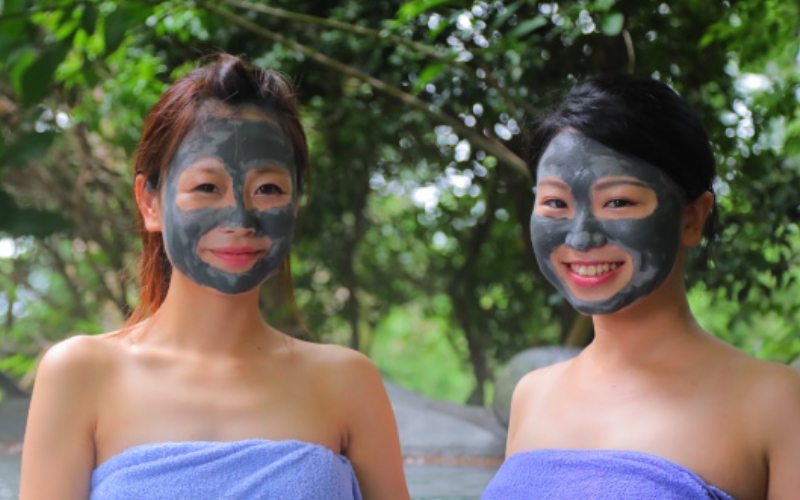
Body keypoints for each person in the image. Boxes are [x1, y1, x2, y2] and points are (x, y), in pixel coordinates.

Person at [20, 54, 409, 500]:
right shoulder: (81, 374)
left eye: (268, 189)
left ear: (295, 202)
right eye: (207, 187)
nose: (240, 219)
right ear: (150, 203)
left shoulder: (346, 381)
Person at [482, 75, 800, 500]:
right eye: (556, 203)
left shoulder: (774, 404)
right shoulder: (531, 394)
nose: (580, 238)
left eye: (618, 202)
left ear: (692, 218)